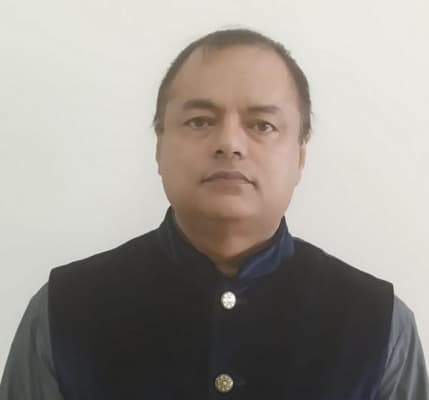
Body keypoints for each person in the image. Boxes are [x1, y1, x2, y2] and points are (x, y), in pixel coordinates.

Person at [0, 28, 428, 400]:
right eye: (200, 121)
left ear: (300, 156)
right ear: (159, 147)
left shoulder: (378, 324)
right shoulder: (64, 310)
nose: (230, 144)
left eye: (262, 125)